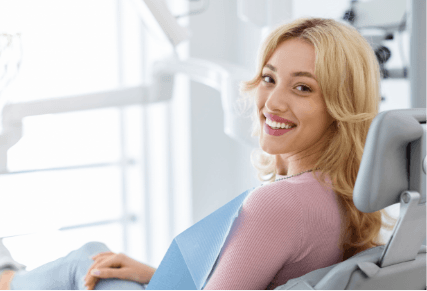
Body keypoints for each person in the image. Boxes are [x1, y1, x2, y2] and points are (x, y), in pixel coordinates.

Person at [0, 16, 397, 290]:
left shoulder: (279, 205)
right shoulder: (343, 193)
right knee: (101, 260)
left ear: (339, 106)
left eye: (302, 88)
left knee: (86, 262)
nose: (272, 102)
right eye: (269, 78)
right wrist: (152, 276)